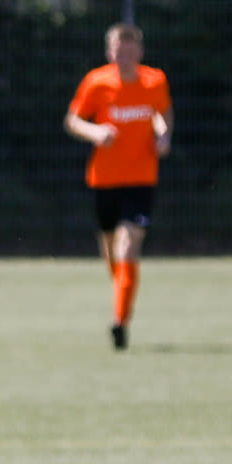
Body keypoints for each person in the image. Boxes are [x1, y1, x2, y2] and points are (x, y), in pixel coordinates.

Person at [64, 23, 172, 350]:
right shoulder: (96, 82)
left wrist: (164, 135)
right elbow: (73, 120)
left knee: (128, 245)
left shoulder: (155, 81)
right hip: (104, 179)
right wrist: (95, 132)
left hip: (141, 179)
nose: (124, 58)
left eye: (130, 52)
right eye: (118, 52)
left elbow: (162, 113)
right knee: (111, 249)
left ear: (140, 52)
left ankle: (120, 321)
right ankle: (123, 294)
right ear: (109, 53)